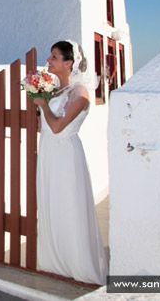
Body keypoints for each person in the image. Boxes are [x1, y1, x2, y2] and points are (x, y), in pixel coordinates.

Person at [31, 40, 108, 285]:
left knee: (68, 205)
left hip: (65, 154)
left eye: (54, 56)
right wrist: (41, 102)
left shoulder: (81, 94)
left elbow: (57, 126)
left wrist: (42, 104)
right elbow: (44, 125)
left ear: (69, 63)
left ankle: (78, 264)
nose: (49, 60)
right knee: (50, 203)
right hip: (48, 152)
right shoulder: (55, 90)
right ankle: (54, 261)